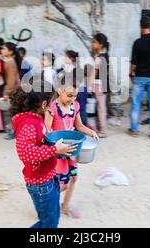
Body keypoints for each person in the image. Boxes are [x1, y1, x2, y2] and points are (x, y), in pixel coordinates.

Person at [11, 80, 76, 228]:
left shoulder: (35, 119)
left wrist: (56, 144)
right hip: (40, 184)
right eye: (52, 103)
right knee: (49, 224)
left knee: (53, 217)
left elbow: (39, 142)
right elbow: (26, 153)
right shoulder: (28, 124)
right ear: (43, 105)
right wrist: (55, 150)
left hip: (48, 177)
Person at [45, 74, 98, 219]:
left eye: (74, 96)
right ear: (59, 90)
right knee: (62, 183)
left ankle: (65, 206)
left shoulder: (75, 106)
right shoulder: (52, 108)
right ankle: (46, 205)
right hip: (59, 151)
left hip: (73, 149)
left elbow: (79, 125)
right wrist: (56, 146)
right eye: (69, 95)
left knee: (73, 178)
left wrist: (90, 132)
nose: (72, 99)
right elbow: (47, 130)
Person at [91, 33, 112, 138]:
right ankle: (99, 128)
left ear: (100, 44)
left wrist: (89, 85)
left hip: (99, 85)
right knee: (100, 107)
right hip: (103, 84)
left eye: (94, 42)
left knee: (100, 108)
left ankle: (103, 131)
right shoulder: (105, 55)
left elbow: (94, 73)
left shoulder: (99, 58)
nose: (92, 44)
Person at [1, 42, 21, 140]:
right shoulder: (11, 60)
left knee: (12, 112)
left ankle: (13, 132)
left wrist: (7, 93)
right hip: (16, 89)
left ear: (10, 52)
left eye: (4, 49)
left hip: (13, 90)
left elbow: (11, 80)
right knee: (14, 111)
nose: (2, 50)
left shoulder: (9, 62)